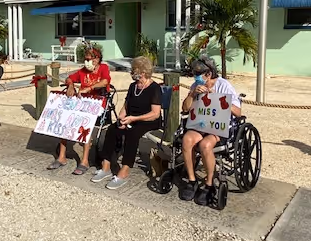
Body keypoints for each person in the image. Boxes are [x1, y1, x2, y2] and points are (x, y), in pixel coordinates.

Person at [91, 56, 162, 190]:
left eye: (134, 70)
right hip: (131, 118)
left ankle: (124, 170)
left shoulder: (154, 88)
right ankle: (105, 166)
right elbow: (126, 105)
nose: (132, 72)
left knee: (132, 133)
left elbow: (155, 113)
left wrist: (133, 119)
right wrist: (122, 118)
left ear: (143, 72)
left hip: (148, 120)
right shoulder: (133, 86)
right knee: (113, 129)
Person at [178, 56, 242, 205]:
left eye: (200, 73)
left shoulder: (224, 86)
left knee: (205, 145)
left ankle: (209, 184)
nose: (197, 76)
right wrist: (193, 94)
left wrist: (217, 97)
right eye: (195, 73)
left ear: (209, 73)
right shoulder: (195, 85)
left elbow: (238, 112)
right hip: (201, 124)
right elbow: (185, 108)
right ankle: (192, 180)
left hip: (219, 126)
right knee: (187, 140)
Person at [47, 46, 111, 175]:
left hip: (97, 103)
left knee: (85, 125)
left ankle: (85, 160)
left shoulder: (103, 68)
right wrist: (70, 85)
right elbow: (69, 78)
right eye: (85, 59)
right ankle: (62, 157)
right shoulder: (83, 71)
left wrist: (89, 88)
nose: (87, 62)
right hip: (82, 102)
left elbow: (105, 82)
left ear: (97, 59)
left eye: (90, 59)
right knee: (66, 121)